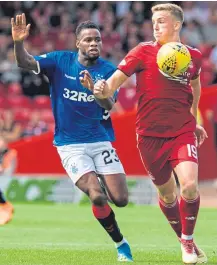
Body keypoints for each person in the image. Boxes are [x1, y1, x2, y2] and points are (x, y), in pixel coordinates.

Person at [92, 3, 208, 265]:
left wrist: (193, 117)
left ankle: (187, 243)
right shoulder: (142, 52)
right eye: (154, 21)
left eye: (162, 21)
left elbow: (196, 86)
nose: (155, 25)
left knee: (189, 186)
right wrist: (102, 89)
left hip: (182, 131)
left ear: (177, 25)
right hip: (149, 136)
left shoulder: (193, 56)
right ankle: (184, 239)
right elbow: (114, 81)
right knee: (168, 195)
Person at [11, 14, 132, 262]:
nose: (94, 43)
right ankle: (121, 244)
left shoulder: (109, 71)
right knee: (96, 195)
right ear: (77, 43)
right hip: (70, 145)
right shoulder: (59, 61)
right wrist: (18, 43)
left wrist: (94, 91)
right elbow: (25, 63)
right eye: (88, 39)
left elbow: (108, 103)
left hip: (100, 141)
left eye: (97, 39)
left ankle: (102, 183)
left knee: (120, 200)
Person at [0, 136, 16, 225]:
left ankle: (6, 207)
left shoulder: (9, 153)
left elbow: (5, 167)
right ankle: (5, 206)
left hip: (5, 177)